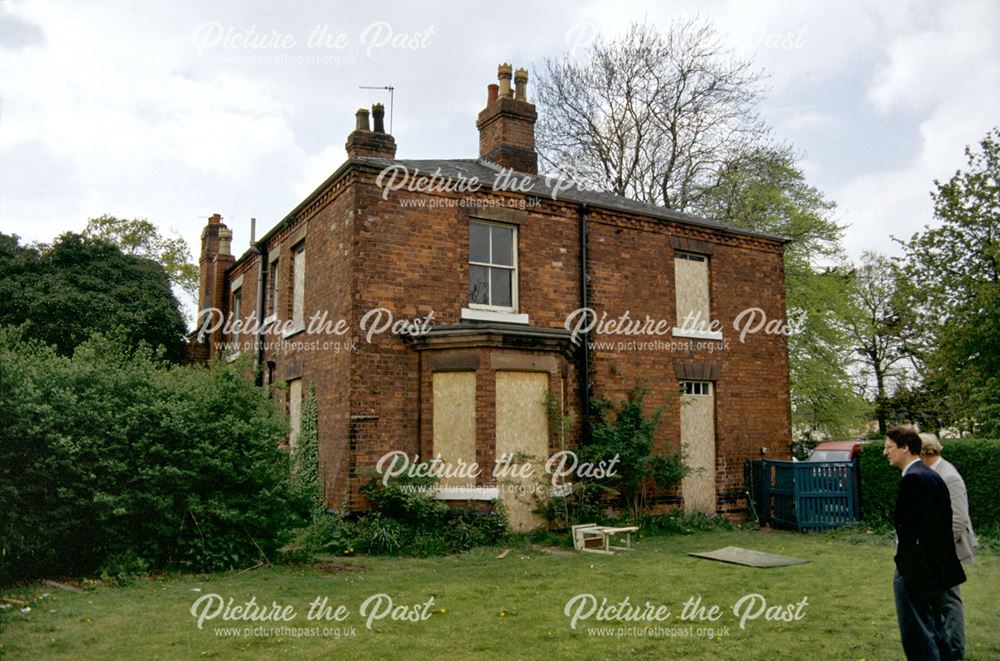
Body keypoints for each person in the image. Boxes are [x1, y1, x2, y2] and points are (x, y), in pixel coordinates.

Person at [883, 425, 966, 660]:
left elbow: (916, 532)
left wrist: (906, 567)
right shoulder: (929, 475)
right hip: (931, 566)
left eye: (889, 447)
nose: (885, 453)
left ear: (905, 448)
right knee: (935, 629)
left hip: (915, 569)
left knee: (917, 632)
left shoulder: (914, 479)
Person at [921, 432, 977, 660]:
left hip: (946, 553)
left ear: (926, 452)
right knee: (936, 603)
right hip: (935, 551)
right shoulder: (930, 474)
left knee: (949, 605)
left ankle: (954, 653)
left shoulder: (948, 476)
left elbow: (958, 521)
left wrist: (934, 552)